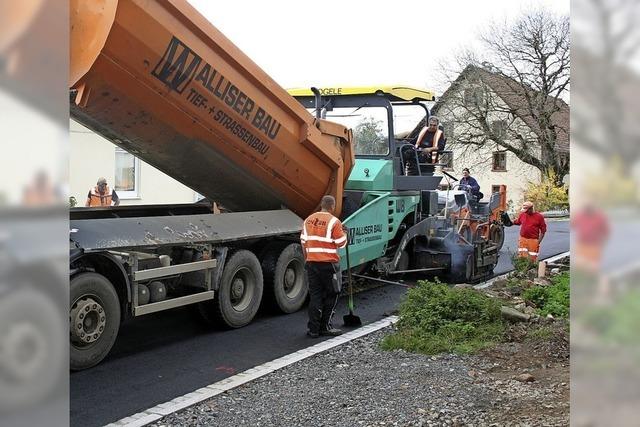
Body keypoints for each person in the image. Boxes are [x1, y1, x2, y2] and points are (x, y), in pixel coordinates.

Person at [300, 195, 347, 338]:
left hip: (312, 263)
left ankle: (313, 329)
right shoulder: (334, 222)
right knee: (333, 293)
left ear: (321, 205)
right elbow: (342, 243)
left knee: (315, 296)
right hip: (329, 265)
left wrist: (307, 260)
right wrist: (345, 233)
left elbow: (303, 242)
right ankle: (325, 327)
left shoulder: (308, 220)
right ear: (332, 207)